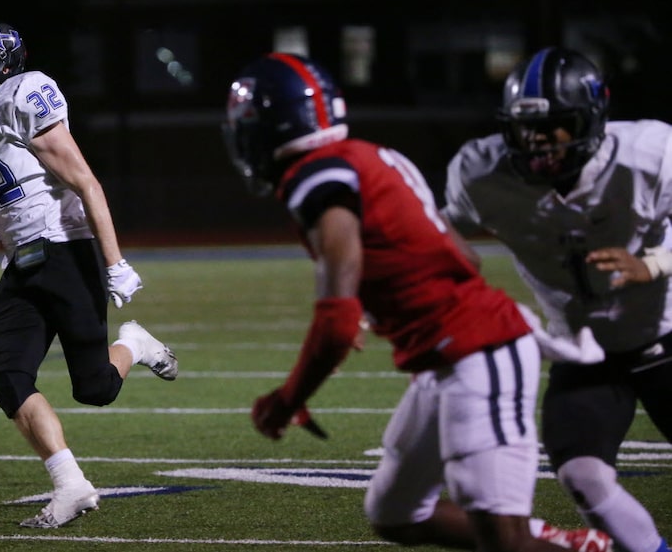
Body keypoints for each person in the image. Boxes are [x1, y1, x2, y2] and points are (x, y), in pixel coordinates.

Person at [222, 52, 612, 552]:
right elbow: (464, 258)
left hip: (478, 351)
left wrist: (287, 399)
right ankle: (568, 544)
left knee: (504, 538)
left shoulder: (315, 174)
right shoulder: (367, 155)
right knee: (396, 513)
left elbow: (336, 320)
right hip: (444, 357)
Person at [0, 20, 179, 529]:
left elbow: (86, 181)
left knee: (96, 389)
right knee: (8, 379)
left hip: (68, 250)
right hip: (18, 263)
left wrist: (115, 263)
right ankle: (71, 485)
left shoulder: (22, 99)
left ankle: (135, 343)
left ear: (3, 63)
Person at [442, 46, 672, 552]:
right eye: (525, 128)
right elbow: (440, 235)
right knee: (583, 476)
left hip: (665, 339)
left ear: (590, 118)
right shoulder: (482, 174)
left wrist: (653, 263)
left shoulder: (650, 152)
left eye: (555, 124)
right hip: (584, 352)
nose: (537, 140)